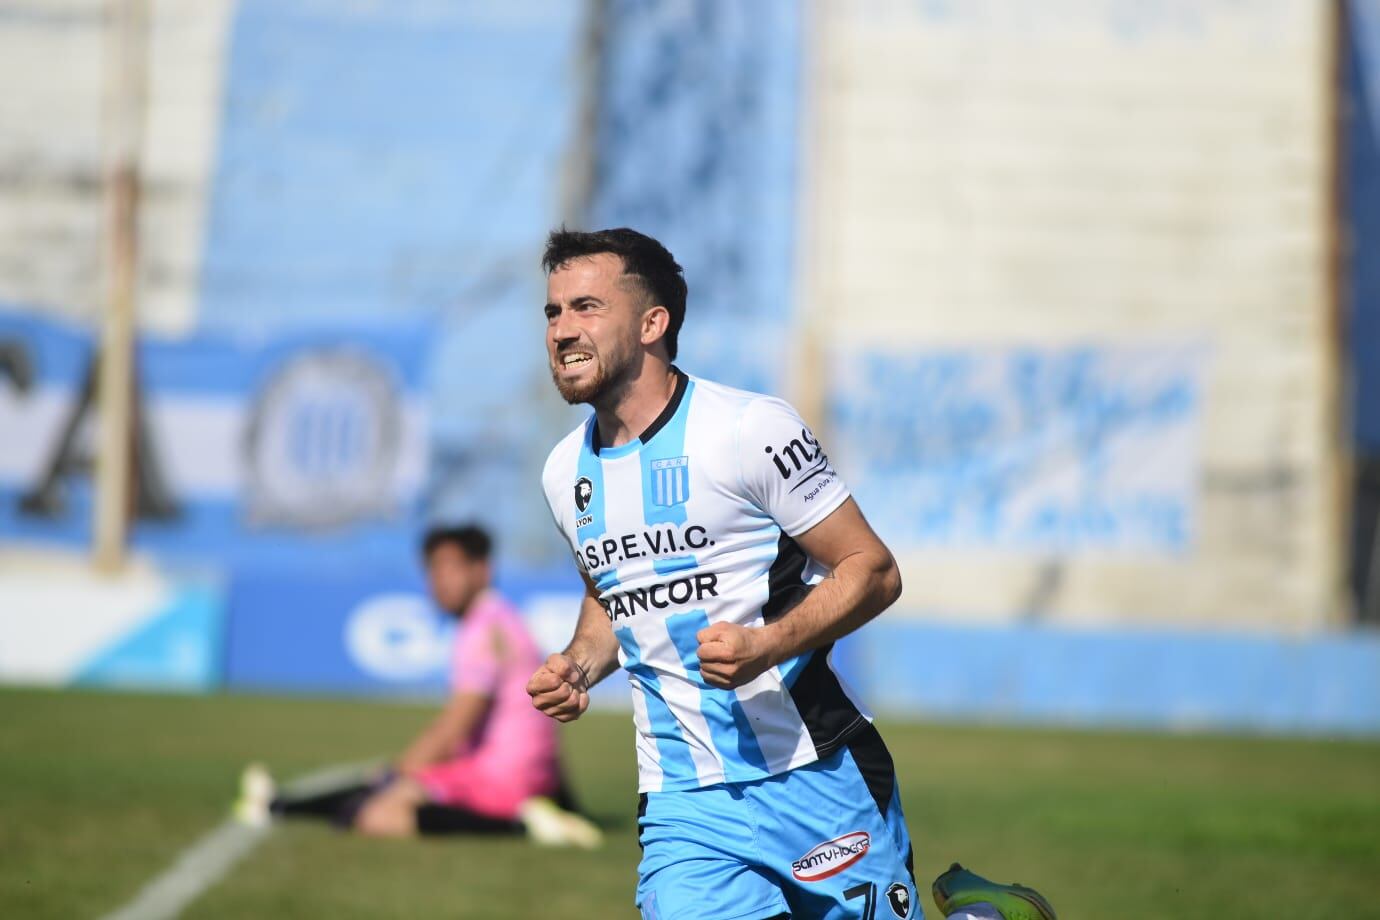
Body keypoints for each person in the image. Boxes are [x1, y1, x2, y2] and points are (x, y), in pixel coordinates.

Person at [525, 228, 1056, 919]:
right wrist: (577, 662)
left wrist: (768, 646)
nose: (563, 330)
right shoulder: (565, 472)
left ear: (653, 323)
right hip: (684, 805)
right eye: (552, 312)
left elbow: (874, 570)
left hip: (816, 775)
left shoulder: (748, 429)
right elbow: (611, 590)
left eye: (585, 307)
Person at [234, 524, 600, 848]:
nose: (439, 580)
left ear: (481, 571)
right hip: (529, 775)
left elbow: (456, 726)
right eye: (433, 569)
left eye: (450, 567)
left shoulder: (481, 630)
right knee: (386, 788)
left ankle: (521, 828)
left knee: (380, 812)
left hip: (502, 777)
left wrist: (401, 770)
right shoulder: (504, 618)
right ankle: (278, 805)